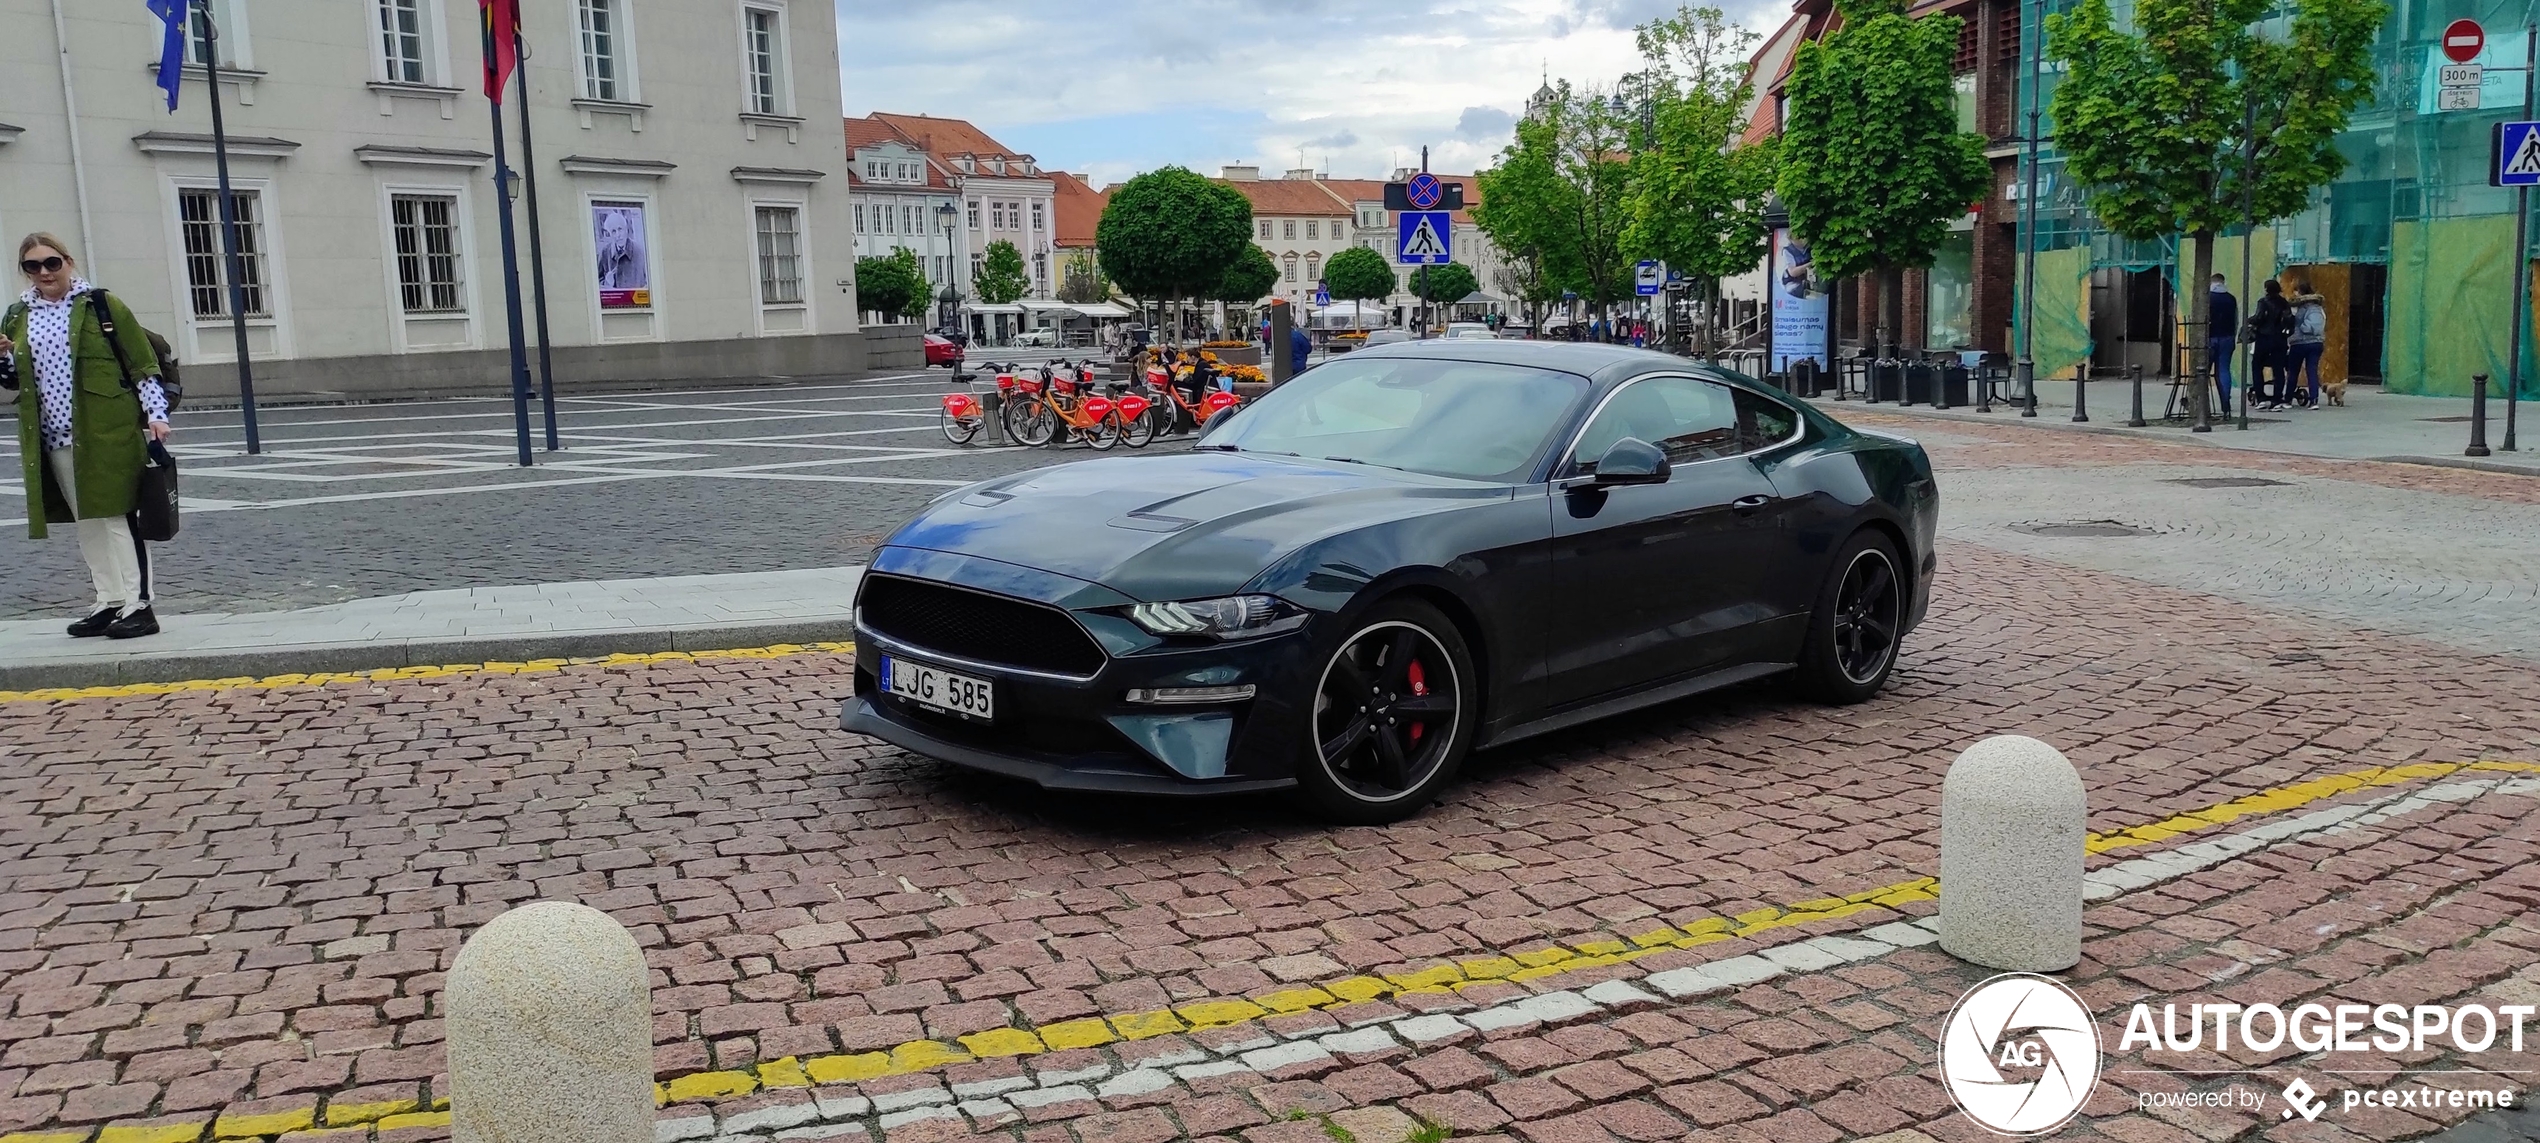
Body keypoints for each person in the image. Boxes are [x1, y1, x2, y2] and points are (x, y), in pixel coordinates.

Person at [0, 234, 173, 638]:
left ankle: (139, 604)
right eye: (32, 266)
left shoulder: (100, 305)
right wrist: (4, 357)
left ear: (68, 261)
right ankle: (110, 600)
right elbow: (13, 382)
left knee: (118, 517)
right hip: (54, 437)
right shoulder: (17, 316)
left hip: (106, 430)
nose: (44, 272)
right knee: (88, 522)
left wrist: (156, 415)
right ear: (25, 271)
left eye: (51, 263)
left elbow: (142, 364)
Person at [2250, 279, 2292, 410]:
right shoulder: (2284, 303)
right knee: (2278, 370)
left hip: (2264, 338)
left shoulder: (2263, 302)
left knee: (2257, 366)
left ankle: (2261, 398)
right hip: (2280, 339)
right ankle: (2277, 399)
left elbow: (2259, 318)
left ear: (2266, 289)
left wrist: (2249, 320)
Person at [2287, 280, 2328, 409]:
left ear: (2300, 292)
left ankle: (2287, 399)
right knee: (2312, 371)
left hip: (2299, 343)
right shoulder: (2318, 307)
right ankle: (2313, 400)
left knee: (2293, 371)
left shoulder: (2298, 308)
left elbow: (2294, 323)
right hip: (2317, 342)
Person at [2204, 274, 2239, 413]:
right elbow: (2235, 320)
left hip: (2209, 337)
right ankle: (2225, 403)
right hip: (2227, 337)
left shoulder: (2207, 297)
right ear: (2223, 282)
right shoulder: (2231, 299)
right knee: (2224, 370)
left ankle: (2200, 402)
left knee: (2202, 372)